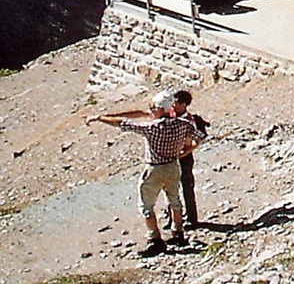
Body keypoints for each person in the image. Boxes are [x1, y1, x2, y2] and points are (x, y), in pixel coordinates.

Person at [87, 88, 200, 256]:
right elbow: (198, 136)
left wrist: (99, 118)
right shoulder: (184, 123)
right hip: (173, 166)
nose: (152, 111)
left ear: (161, 109)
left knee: (147, 206)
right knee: (174, 200)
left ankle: (155, 239)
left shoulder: (151, 128)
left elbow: (122, 123)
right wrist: (185, 150)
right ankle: (178, 233)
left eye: (154, 108)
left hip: (154, 168)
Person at [169, 88, 210, 228]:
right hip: (170, 157)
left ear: (183, 104)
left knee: (187, 187)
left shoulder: (192, 120)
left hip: (184, 159)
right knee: (170, 189)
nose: (173, 105)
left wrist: (185, 152)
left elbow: (200, 137)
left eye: (176, 103)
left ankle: (192, 219)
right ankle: (173, 219)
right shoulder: (169, 117)